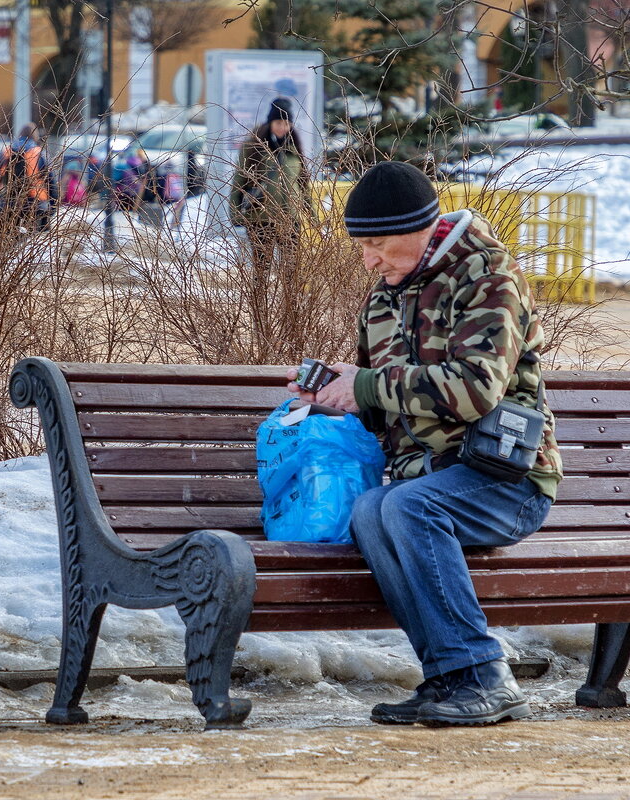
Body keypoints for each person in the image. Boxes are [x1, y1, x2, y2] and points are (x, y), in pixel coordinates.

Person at [286, 161, 562, 728]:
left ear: (422, 229)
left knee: (409, 506)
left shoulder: (488, 278)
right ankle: (448, 677)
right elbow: (385, 401)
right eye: (362, 247)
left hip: (507, 479)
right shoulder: (382, 301)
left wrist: (364, 384)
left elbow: (475, 390)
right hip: (427, 482)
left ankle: (486, 677)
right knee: (370, 510)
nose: (370, 260)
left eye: (380, 244)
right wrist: (336, 402)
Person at [229, 97, 309, 324]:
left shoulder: (295, 148)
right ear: (270, 123)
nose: (282, 128)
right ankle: (260, 313)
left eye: (286, 124)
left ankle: (292, 314)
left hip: (290, 219)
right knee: (261, 270)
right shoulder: (254, 146)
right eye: (278, 123)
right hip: (261, 218)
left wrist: (310, 214)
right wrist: (236, 214)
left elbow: (303, 185)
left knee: (292, 271)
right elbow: (239, 180)